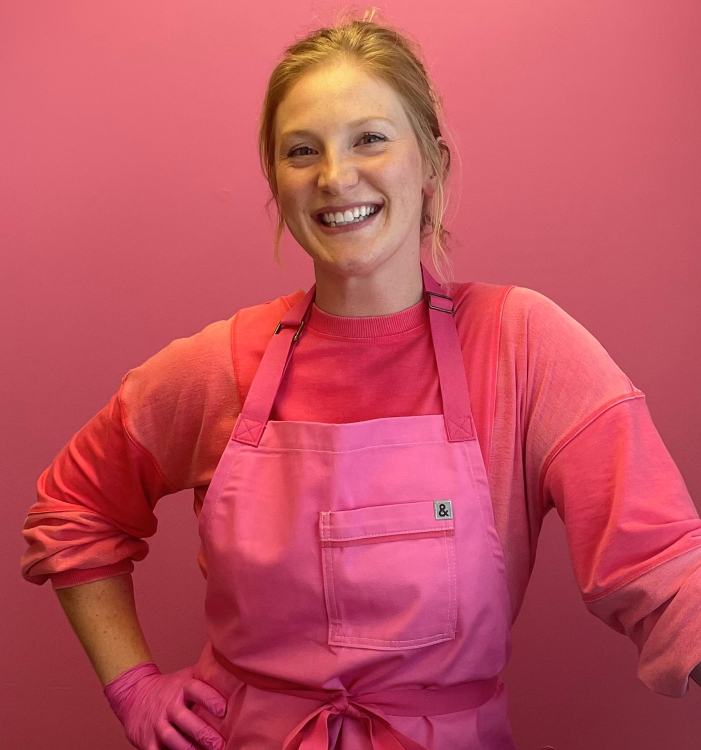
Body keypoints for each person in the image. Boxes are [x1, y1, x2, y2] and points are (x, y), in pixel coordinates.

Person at [19, 11, 701, 750]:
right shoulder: (222, 364)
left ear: (431, 163)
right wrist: (133, 688)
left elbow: (663, 565)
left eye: (369, 138)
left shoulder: (519, 345)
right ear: (276, 183)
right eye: (300, 150)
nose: (335, 176)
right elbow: (73, 510)